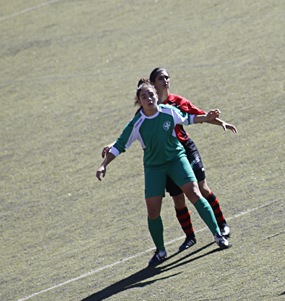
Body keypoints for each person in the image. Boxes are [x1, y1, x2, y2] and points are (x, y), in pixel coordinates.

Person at [97, 79, 230, 266]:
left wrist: (207, 117)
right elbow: (120, 145)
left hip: (176, 160)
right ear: (139, 101)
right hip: (154, 168)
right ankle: (160, 251)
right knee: (153, 211)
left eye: (151, 95)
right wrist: (104, 164)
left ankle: (218, 235)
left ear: (156, 96)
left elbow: (189, 118)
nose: (149, 98)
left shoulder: (169, 111)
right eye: (144, 97)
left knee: (194, 193)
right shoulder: (137, 123)